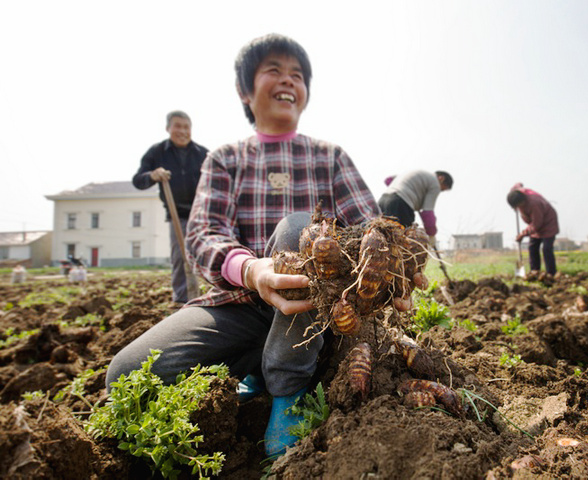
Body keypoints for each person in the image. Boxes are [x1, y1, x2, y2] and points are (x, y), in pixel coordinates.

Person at [107, 34, 412, 459]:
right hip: (243, 302)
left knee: (299, 229)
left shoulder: (331, 157)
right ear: (245, 91)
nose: (288, 80)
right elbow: (203, 233)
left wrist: (395, 272)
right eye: (274, 70)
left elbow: (370, 228)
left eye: (298, 75)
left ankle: (288, 389)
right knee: (129, 374)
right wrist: (252, 271)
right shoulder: (226, 159)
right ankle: (258, 365)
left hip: (322, 315)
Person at [132, 111, 209, 304]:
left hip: (203, 215)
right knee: (180, 258)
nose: (182, 131)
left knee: (210, 255)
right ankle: (182, 301)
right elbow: (138, 180)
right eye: (178, 126)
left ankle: (212, 296)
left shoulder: (202, 154)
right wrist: (153, 175)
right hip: (178, 216)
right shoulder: (157, 153)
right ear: (168, 128)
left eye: (186, 127)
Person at [377, 170, 453, 247]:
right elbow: (427, 213)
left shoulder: (418, 174)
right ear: (441, 178)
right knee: (402, 245)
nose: (439, 191)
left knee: (385, 240)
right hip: (400, 205)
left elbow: (388, 180)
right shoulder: (435, 183)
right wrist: (431, 234)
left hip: (383, 201)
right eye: (442, 189)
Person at [507, 183, 559, 276]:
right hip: (534, 224)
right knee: (532, 247)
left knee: (547, 249)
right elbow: (517, 185)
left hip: (548, 223)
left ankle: (551, 273)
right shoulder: (517, 194)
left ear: (523, 201)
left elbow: (537, 224)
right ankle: (534, 272)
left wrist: (523, 234)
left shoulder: (534, 203)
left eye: (519, 205)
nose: (518, 208)